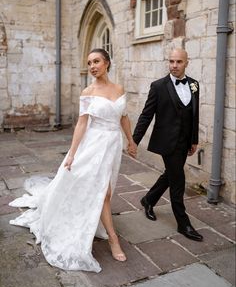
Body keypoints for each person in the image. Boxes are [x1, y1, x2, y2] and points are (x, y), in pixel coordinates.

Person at [9, 48, 137, 272]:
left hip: (113, 144)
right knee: (103, 192)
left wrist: (131, 140)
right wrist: (72, 153)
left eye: (96, 61)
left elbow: (123, 117)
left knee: (105, 189)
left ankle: (104, 226)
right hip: (94, 144)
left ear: (107, 62)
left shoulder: (118, 89)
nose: (92, 66)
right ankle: (113, 239)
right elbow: (81, 124)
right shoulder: (88, 92)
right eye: (89, 63)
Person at [129, 48, 203, 242]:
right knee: (178, 179)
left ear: (187, 62)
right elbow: (146, 115)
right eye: (171, 61)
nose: (174, 65)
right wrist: (133, 140)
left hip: (184, 141)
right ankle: (183, 222)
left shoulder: (194, 85)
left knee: (171, 174)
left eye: (178, 62)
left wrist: (193, 139)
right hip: (167, 140)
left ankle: (149, 200)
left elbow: (194, 114)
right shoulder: (158, 86)